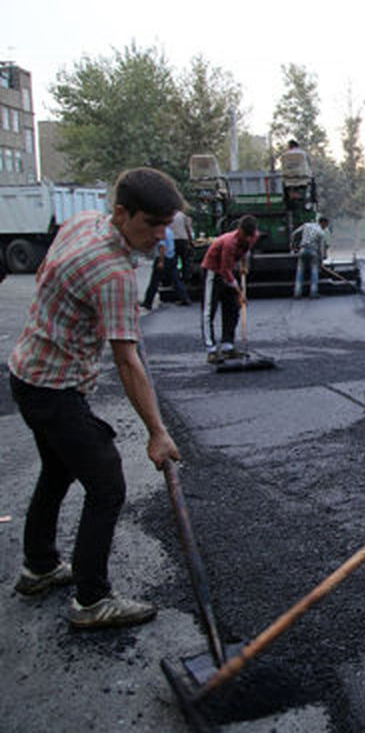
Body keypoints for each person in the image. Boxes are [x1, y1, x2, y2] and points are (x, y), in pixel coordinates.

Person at [8, 166, 183, 630]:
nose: (161, 236)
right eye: (152, 225)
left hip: (27, 373)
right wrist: (157, 433)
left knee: (58, 468)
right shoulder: (113, 275)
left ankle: (39, 567)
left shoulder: (85, 221)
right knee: (107, 486)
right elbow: (127, 361)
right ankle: (91, 600)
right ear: (122, 214)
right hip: (54, 387)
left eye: (167, 225)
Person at [200, 215, 259, 364]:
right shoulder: (229, 243)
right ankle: (211, 350)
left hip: (229, 270)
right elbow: (225, 270)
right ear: (240, 230)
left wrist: (245, 265)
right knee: (209, 311)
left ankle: (228, 346)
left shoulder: (253, 236)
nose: (248, 239)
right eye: (245, 236)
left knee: (233, 307)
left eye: (250, 236)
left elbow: (246, 252)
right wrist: (240, 292)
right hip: (213, 271)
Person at [141, 225, 191, 309]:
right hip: (172, 256)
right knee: (176, 279)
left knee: (154, 281)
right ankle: (184, 297)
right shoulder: (170, 231)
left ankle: (148, 302)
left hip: (164, 258)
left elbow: (162, 247)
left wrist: (161, 261)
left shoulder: (162, 232)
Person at [291, 216, 330, 299]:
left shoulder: (306, 225)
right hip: (313, 252)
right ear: (323, 223)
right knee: (314, 272)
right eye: (326, 225)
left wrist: (293, 247)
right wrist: (322, 261)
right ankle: (313, 293)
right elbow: (321, 248)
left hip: (302, 250)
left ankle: (297, 293)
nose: (325, 227)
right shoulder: (321, 232)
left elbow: (294, 234)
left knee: (299, 272)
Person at [169, 209, 195, 282]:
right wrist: (191, 241)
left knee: (174, 260)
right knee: (185, 259)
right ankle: (186, 277)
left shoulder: (169, 215)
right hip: (183, 239)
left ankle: (174, 278)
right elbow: (188, 229)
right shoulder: (183, 216)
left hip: (172, 240)